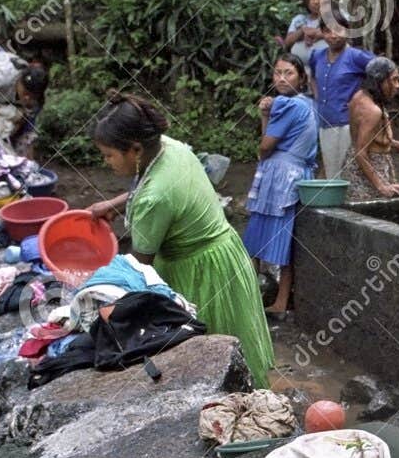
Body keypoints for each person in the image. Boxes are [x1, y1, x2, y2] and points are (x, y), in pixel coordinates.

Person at [85, 93, 275, 383]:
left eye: (109, 154)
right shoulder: (170, 147)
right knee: (236, 344)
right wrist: (114, 204)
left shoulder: (154, 199)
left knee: (210, 363)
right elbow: (152, 183)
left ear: (135, 150)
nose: (105, 161)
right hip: (225, 253)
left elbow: (138, 270)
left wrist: (94, 284)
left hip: (200, 271)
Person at [244, 55, 320, 316]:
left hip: (280, 177)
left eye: (288, 73)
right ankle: (280, 300)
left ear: (301, 78)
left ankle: (252, 295)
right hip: (299, 174)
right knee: (286, 240)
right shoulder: (309, 104)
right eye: (277, 73)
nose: (281, 78)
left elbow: (266, 146)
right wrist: (267, 113)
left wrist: (264, 116)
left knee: (255, 238)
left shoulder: (287, 104)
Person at [309, 8, 373, 179]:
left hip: (348, 124)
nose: (333, 35)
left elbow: (383, 71)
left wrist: (363, 99)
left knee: (350, 172)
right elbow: (312, 77)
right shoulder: (317, 56)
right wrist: (318, 96)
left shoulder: (357, 56)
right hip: (325, 123)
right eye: (327, 31)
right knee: (331, 172)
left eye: (338, 29)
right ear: (322, 33)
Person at [346, 57, 399, 200]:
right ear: (380, 80)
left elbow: (371, 138)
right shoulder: (372, 110)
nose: (398, 85)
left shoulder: (359, 96)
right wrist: (381, 186)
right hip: (369, 170)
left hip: (362, 167)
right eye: (394, 80)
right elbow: (361, 152)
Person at [284, 0, 327, 68]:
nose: (316, 1)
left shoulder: (335, 16)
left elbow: (344, 33)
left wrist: (316, 34)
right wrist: (303, 31)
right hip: (303, 74)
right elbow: (287, 42)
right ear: (306, 0)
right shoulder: (300, 19)